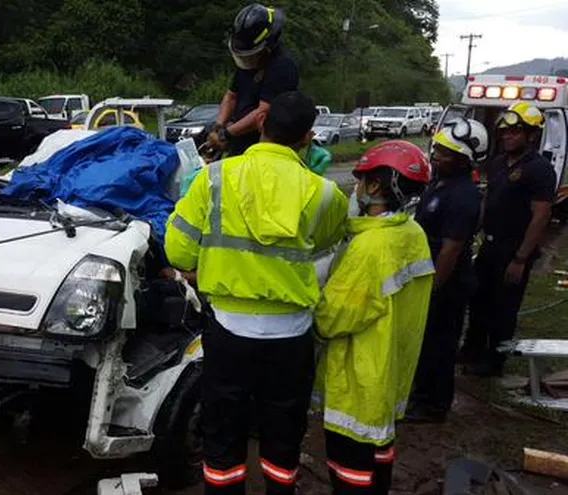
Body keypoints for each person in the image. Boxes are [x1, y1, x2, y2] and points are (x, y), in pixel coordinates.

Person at [165, 91, 347, 494]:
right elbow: (322, 247)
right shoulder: (327, 194)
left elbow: (177, 250)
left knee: (223, 435)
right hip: (292, 336)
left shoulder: (213, 179)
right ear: (307, 138)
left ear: (261, 124)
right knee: (282, 437)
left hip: (228, 331)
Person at [314, 140, 434, 494]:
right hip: (390, 372)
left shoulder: (370, 248)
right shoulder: (412, 233)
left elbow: (332, 319)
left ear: (377, 186)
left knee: (350, 471)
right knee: (380, 459)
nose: (357, 188)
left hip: (359, 384)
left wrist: (311, 299)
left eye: (362, 180)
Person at [461, 102, 556, 377]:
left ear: (531, 135)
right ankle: (472, 348)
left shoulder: (539, 170)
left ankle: (495, 359)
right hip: (490, 245)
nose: (508, 136)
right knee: (478, 299)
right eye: (505, 132)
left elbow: (540, 217)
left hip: (513, 249)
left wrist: (520, 258)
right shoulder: (500, 162)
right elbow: (489, 200)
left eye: (516, 132)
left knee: (503, 308)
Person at [406, 119, 488, 423]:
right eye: (438, 148)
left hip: (448, 283)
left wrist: (432, 289)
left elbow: (451, 250)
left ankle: (433, 405)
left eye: (446, 152)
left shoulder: (462, 195)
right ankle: (421, 394)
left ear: (465, 159)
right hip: (430, 276)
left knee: (438, 347)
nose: (437, 155)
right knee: (425, 343)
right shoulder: (439, 182)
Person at [207, 4, 299, 157]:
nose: (247, 58)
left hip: (263, 148)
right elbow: (231, 96)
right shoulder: (248, 63)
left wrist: (226, 134)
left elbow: (263, 111)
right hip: (238, 143)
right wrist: (219, 126)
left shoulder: (282, 67)